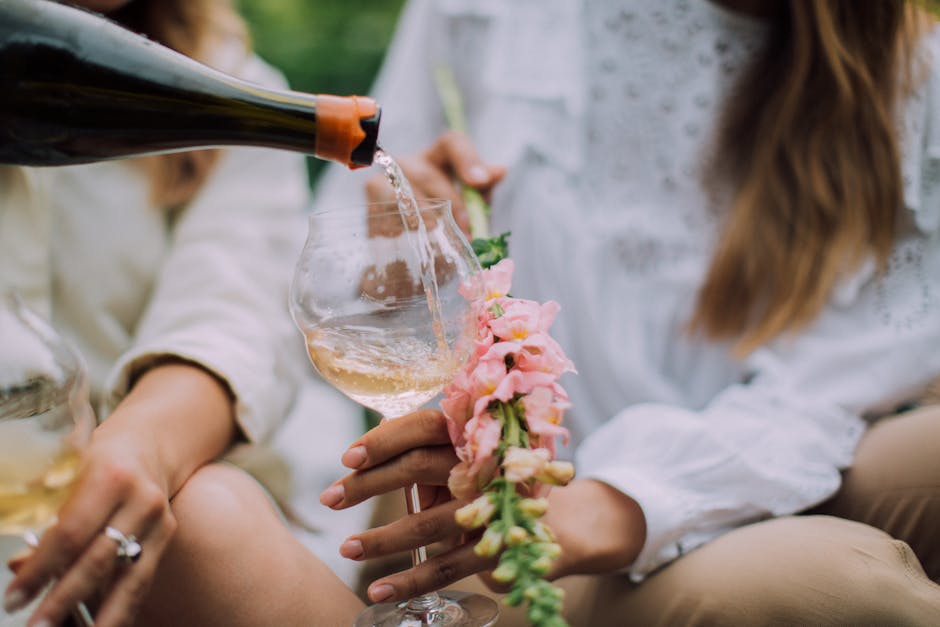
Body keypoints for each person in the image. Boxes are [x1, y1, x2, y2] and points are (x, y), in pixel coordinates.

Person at [311, 0, 940, 624]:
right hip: (519, 500)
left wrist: (621, 504)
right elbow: (324, 288)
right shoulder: (491, 16)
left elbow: (835, 385)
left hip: (771, 454)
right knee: (839, 590)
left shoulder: (904, 71)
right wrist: (398, 256)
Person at [0, 1, 369, 625]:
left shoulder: (225, 80)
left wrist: (138, 456)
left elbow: (231, 315)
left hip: (153, 522)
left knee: (206, 514)